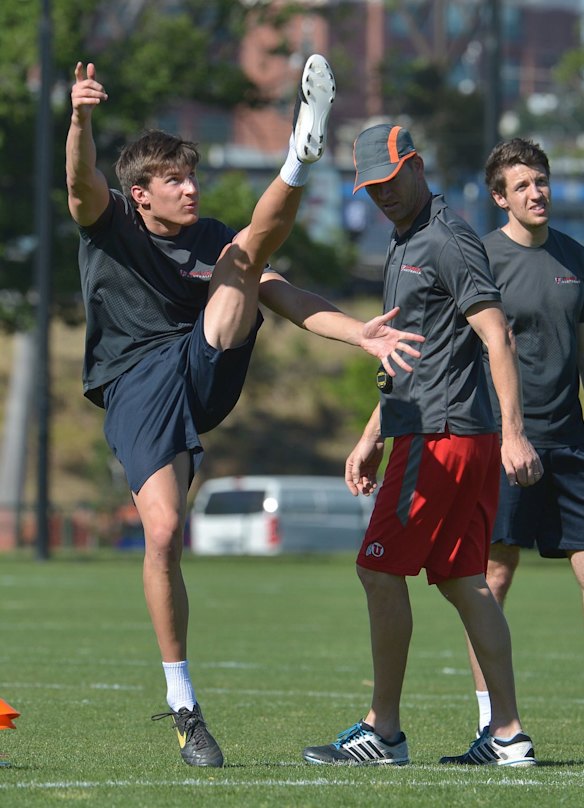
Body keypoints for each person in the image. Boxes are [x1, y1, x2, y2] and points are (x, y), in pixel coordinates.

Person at [66, 60, 426, 769]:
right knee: (164, 533)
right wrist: (79, 120)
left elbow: (283, 294)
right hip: (135, 387)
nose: (190, 186)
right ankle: (184, 709)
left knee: (244, 257)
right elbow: (80, 183)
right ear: (139, 195)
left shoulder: (216, 240)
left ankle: (301, 152)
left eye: (191, 175)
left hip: (203, 366)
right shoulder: (108, 224)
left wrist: (360, 333)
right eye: (173, 180)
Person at [302, 123, 543, 768]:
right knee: (465, 580)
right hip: (434, 431)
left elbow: (498, 337)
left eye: (387, 180)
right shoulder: (406, 238)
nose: (379, 194)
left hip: (441, 438)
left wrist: (515, 434)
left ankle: (383, 731)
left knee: (377, 568)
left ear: (415, 165)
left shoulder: (446, 238)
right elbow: (408, 356)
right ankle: (509, 735)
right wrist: (370, 435)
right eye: (369, 187)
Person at [464, 137, 584, 736]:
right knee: (495, 576)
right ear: (499, 198)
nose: (537, 192)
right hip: (505, 442)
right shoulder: (481, 261)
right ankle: (494, 723)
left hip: (571, 440)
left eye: (541, 181)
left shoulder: (575, 257)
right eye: (522, 186)